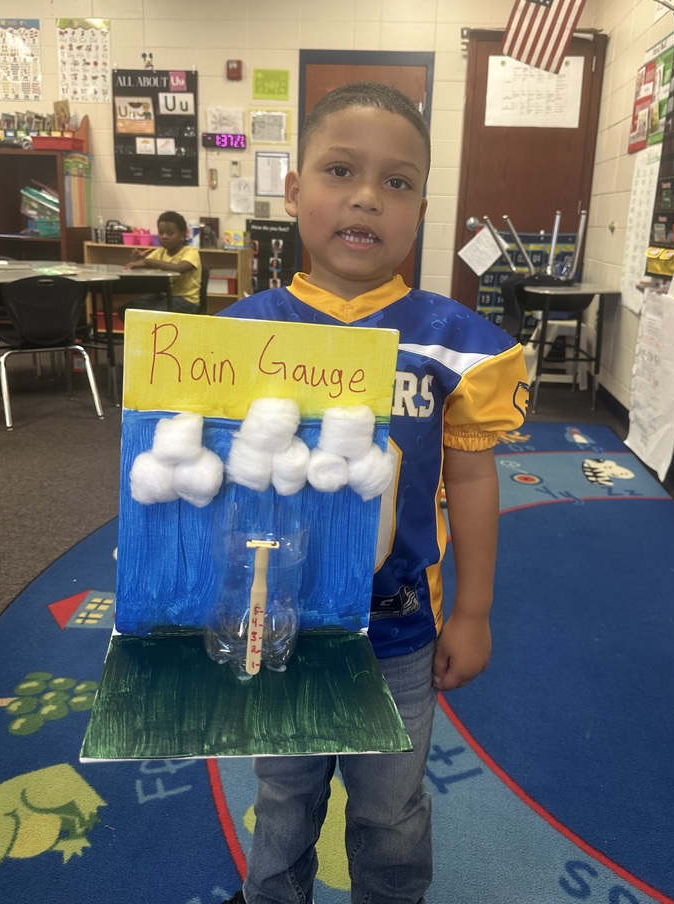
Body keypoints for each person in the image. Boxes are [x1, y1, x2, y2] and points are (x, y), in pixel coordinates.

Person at [217, 82, 529, 904]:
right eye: (340, 171)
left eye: (396, 182)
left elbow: (471, 476)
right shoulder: (241, 334)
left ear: (420, 209)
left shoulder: (450, 342)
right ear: (294, 191)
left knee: (390, 806)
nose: (366, 197)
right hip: (278, 619)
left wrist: (473, 612)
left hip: (399, 626)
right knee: (284, 792)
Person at [117, 210, 202, 320]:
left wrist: (148, 262)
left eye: (170, 233)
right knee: (126, 311)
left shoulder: (191, 252)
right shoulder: (160, 252)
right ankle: (143, 331)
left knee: (153, 316)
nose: (164, 236)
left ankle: (150, 331)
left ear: (182, 235)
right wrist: (140, 260)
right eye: (161, 233)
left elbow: (179, 269)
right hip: (163, 296)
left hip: (186, 300)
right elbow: (146, 262)